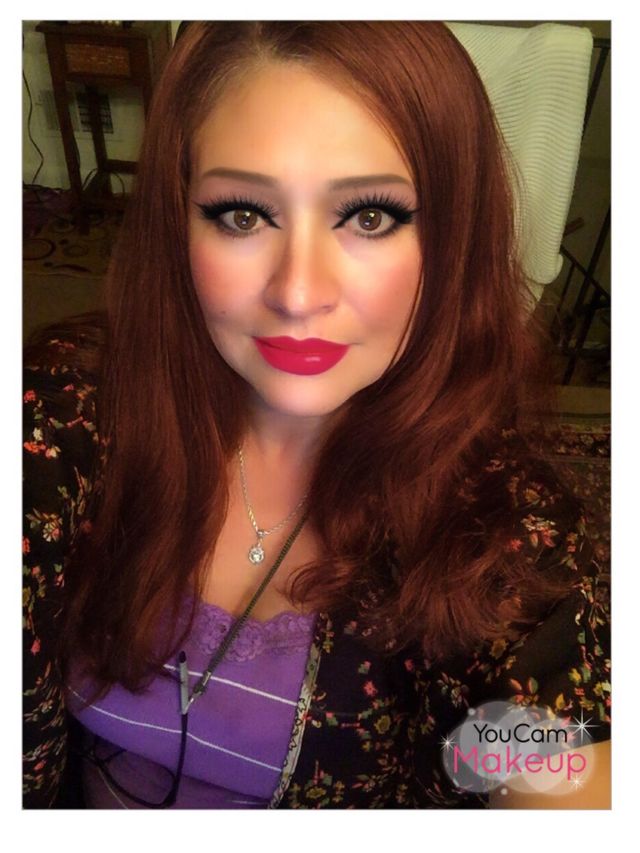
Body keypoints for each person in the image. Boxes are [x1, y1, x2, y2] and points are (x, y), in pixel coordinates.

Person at [23, 21, 610, 809]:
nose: (298, 292)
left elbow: (554, 758)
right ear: (177, 222)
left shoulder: (500, 526)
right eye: (242, 214)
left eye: (369, 216)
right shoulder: (69, 412)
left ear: (453, 239)